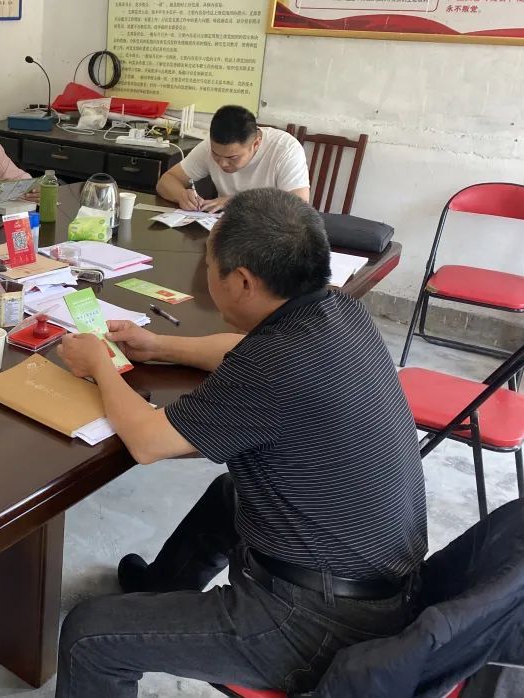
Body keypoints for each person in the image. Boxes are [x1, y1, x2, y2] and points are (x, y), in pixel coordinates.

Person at [54, 188, 427, 697]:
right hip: (376, 579)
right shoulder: (338, 311)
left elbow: (147, 441)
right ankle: (159, 592)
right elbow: (241, 349)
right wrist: (157, 345)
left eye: (209, 265)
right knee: (228, 495)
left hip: (319, 622)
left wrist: (100, 365)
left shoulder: (276, 365)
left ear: (244, 281)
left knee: (89, 636)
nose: (206, 274)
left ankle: (142, 622)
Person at [156, 105, 310, 212]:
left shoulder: (285, 149)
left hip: (270, 231)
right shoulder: (209, 146)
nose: (223, 163)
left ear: (256, 144)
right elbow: (167, 181)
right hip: (224, 228)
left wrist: (237, 201)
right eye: (216, 155)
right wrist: (181, 195)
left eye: (232, 157)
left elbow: (298, 206)